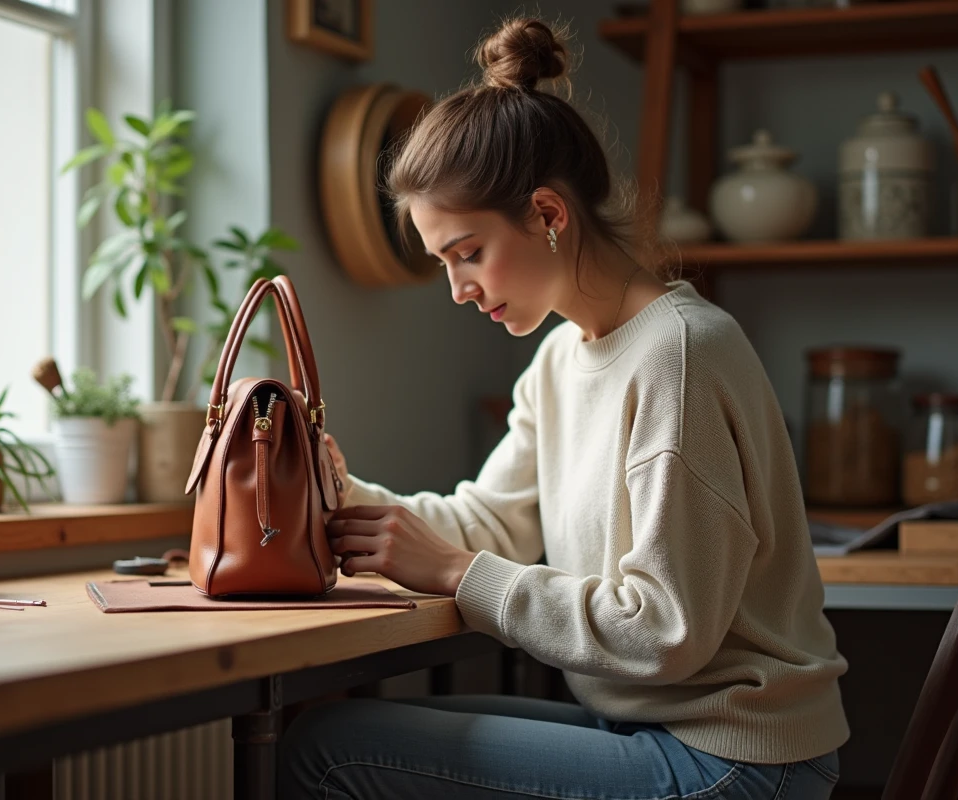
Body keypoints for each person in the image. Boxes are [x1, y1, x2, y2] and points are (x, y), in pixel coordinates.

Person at [279, 16, 849, 800]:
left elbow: (662, 631)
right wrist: (336, 494)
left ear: (548, 215)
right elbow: (490, 523)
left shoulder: (678, 356)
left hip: (737, 758)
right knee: (326, 731)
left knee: (327, 749)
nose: (458, 289)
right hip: (655, 728)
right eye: (443, 262)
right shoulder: (559, 361)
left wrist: (454, 571)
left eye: (467, 252)